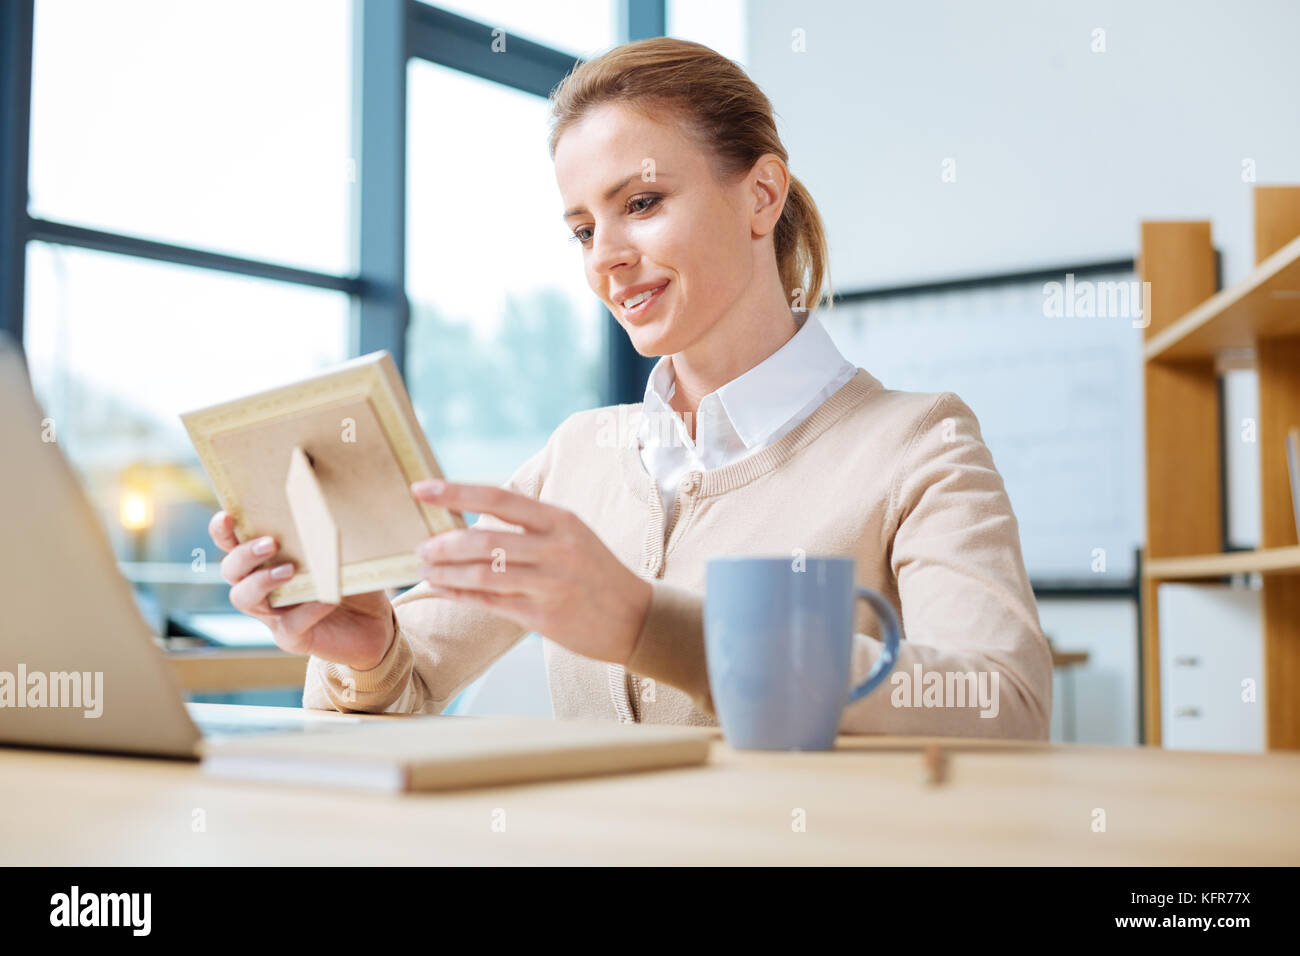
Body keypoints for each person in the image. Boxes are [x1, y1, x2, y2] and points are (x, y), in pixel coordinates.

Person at [208, 38, 1052, 738]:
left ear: (761, 196)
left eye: (642, 203)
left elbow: (1003, 704)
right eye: (583, 229)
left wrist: (653, 625)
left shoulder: (918, 444)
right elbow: (402, 681)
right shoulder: (578, 456)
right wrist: (366, 650)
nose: (605, 257)